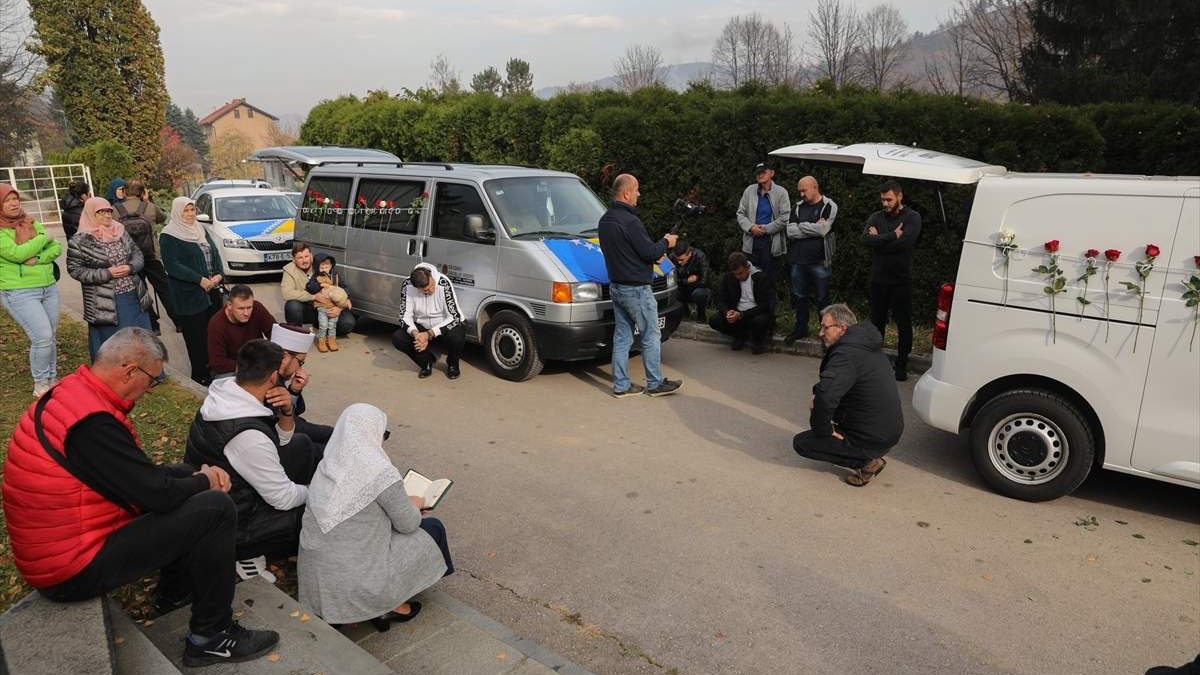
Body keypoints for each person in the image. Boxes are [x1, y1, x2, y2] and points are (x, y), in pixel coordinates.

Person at [2, 328, 279, 668]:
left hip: (61, 544)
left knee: (186, 481)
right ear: (129, 370)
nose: (151, 389)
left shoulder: (74, 395)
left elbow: (141, 480)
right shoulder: (92, 425)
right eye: (153, 379)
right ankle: (213, 636)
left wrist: (190, 476)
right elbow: (156, 496)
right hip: (69, 568)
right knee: (216, 508)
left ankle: (174, 597)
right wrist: (204, 479)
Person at [299, 404, 452, 631]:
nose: (382, 440)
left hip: (317, 582)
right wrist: (415, 503)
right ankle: (388, 604)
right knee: (432, 528)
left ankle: (371, 604)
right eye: (384, 434)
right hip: (356, 580)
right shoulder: (379, 471)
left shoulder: (328, 464)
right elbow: (408, 524)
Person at [185, 338, 322, 581]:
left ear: (238, 369)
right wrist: (317, 491)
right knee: (320, 510)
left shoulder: (226, 395)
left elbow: (283, 440)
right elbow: (283, 498)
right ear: (272, 377)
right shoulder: (247, 435)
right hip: (232, 526)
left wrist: (287, 410)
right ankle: (245, 555)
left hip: (221, 500)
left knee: (301, 443)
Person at [792, 304, 903, 487]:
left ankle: (867, 462)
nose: (820, 333)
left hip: (873, 437)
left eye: (825, 327)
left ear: (842, 328)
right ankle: (863, 450)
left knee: (802, 443)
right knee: (821, 396)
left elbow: (826, 398)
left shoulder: (846, 354)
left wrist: (824, 431)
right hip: (889, 431)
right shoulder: (865, 343)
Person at [597, 174, 681, 398]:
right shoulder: (631, 221)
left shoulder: (604, 220)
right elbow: (649, 252)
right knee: (651, 335)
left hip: (616, 286)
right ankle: (654, 383)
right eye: (636, 190)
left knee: (622, 336)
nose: (639, 194)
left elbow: (627, 253)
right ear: (626, 193)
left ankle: (621, 385)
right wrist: (666, 242)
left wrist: (652, 256)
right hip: (636, 289)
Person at [67, 197, 153, 361]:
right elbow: (75, 270)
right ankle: (116, 379)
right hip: (105, 301)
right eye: (101, 212)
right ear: (91, 214)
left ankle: (144, 375)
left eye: (109, 211)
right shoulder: (80, 240)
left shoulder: (120, 231)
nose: (107, 215)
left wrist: (131, 267)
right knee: (114, 344)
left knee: (140, 337)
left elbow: (137, 255)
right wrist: (107, 273)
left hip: (133, 294)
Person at [0, 183, 62, 397]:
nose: (14, 203)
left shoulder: (30, 221)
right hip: (19, 291)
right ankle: (40, 383)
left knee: (50, 335)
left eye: (15, 198)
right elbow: (16, 254)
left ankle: (52, 379)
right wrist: (45, 238)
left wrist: (39, 259)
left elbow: (57, 248)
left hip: (48, 287)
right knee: (42, 336)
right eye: (7, 200)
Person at [862, 180, 922, 381]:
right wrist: (892, 236)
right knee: (876, 322)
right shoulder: (876, 217)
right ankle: (876, 362)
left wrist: (880, 240)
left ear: (899, 196)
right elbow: (865, 240)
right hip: (878, 280)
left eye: (889, 199)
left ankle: (901, 364)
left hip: (900, 280)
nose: (885, 204)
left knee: (903, 324)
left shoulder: (912, 218)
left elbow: (905, 243)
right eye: (883, 200)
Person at [160, 196, 224, 385]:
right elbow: (172, 265)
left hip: (212, 290)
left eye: (192, 210)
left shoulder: (200, 228)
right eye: (185, 211)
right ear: (177, 212)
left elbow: (214, 252)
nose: (190, 214)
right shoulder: (169, 235)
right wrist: (199, 280)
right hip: (189, 295)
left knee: (213, 333)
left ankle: (215, 369)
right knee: (196, 337)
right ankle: (200, 374)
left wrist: (219, 274)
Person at [116, 179, 176, 334]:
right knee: (165, 289)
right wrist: (148, 201)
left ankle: (153, 325)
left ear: (124, 192)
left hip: (129, 259)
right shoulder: (150, 207)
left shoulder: (115, 210)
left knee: (141, 292)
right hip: (151, 256)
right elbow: (163, 219)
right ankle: (179, 321)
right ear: (142, 192)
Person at [784, 176, 838, 344]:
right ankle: (801, 328)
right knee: (800, 296)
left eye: (804, 190)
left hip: (819, 261)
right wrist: (812, 226)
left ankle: (826, 334)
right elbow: (790, 231)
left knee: (823, 299)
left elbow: (823, 230)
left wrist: (802, 225)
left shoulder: (829, 206)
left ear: (815, 187)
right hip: (798, 261)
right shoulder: (797, 207)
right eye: (799, 191)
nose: (801, 194)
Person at [391, 263, 466, 379]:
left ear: (430, 275)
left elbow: (454, 317)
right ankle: (426, 362)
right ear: (417, 288)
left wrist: (429, 333)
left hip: (443, 323)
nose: (431, 290)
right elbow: (404, 316)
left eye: (432, 285)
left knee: (457, 336)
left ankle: (452, 364)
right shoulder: (407, 285)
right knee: (398, 338)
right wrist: (416, 334)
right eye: (426, 290)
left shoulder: (443, 282)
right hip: (421, 325)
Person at [270, 322, 333, 449]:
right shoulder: (266, 381)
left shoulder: (275, 375)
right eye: (300, 362)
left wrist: (294, 391)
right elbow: (286, 420)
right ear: (285, 357)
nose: (300, 368)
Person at [282, 241, 356, 336]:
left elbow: (343, 287)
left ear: (311, 256)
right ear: (293, 259)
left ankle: (323, 328)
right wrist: (313, 297)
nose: (304, 260)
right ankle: (297, 335)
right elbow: (287, 293)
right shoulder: (289, 270)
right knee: (292, 306)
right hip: (308, 308)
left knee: (347, 324)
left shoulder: (323, 264)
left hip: (329, 306)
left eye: (306, 256)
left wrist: (340, 307)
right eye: (300, 258)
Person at [708, 252, 776, 354]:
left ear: (748, 267)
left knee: (760, 321)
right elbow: (721, 299)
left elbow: (766, 305)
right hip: (737, 313)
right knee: (714, 320)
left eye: (740, 273)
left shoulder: (761, 277)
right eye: (735, 274)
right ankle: (739, 335)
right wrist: (727, 312)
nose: (738, 276)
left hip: (755, 314)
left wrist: (742, 315)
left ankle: (758, 339)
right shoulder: (729, 277)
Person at [207, 284, 276, 378]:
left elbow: (276, 334)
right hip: (232, 368)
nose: (246, 313)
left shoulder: (257, 308)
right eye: (241, 308)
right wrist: (250, 367)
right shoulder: (216, 324)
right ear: (229, 305)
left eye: (249, 307)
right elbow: (217, 362)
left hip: (257, 361)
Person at [736, 162, 789, 283]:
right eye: (757, 173)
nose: (760, 175)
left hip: (771, 244)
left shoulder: (781, 192)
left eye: (763, 172)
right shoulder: (749, 190)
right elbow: (740, 213)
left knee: (768, 282)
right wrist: (751, 228)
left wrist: (765, 229)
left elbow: (785, 217)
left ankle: (769, 302)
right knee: (750, 281)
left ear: (772, 173)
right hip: (751, 244)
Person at [304, 253, 352, 353]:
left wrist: (347, 298)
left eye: (327, 266)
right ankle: (321, 341)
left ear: (331, 266)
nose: (325, 268)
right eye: (322, 266)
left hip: (334, 305)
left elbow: (344, 287)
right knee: (323, 324)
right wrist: (320, 285)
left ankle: (331, 340)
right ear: (317, 267)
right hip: (322, 306)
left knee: (332, 324)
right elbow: (310, 287)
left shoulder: (335, 276)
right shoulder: (316, 277)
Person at [670, 241, 710, 322]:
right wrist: (686, 281)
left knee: (699, 294)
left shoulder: (701, 257)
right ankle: (684, 311)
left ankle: (701, 314)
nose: (679, 262)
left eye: (681, 259)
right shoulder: (671, 257)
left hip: (697, 288)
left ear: (689, 254)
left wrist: (694, 281)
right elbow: (669, 280)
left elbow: (704, 281)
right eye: (677, 259)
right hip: (681, 288)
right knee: (671, 291)